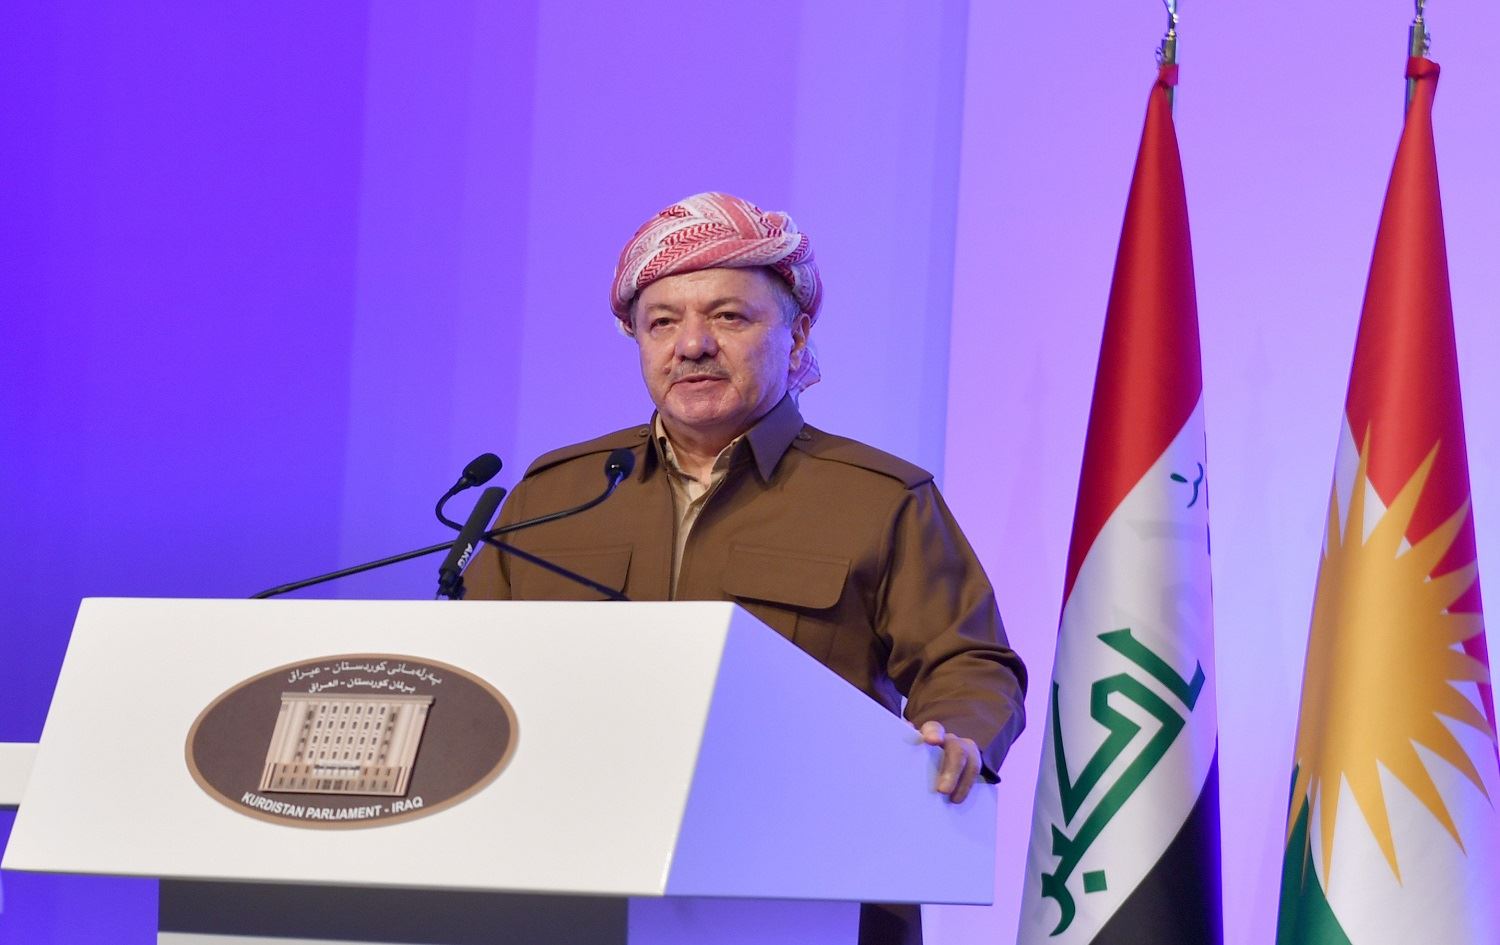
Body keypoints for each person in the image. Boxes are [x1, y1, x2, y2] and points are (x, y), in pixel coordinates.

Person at [464, 192, 1025, 945]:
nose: (692, 345)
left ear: (796, 336)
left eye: (728, 317)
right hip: (574, 878)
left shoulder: (879, 497)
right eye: (662, 322)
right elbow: (471, 667)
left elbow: (969, 661)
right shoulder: (555, 492)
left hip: (807, 881)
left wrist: (956, 733)